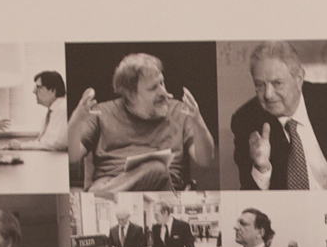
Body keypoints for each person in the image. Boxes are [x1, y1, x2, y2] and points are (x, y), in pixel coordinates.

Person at [66, 51, 217, 193]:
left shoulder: (179, 110)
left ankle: (102, 195)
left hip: (164, 187)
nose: (163, 92)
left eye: (162, 83)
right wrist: (76, 120)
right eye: (153, 88)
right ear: (131, 95)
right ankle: (105, 192)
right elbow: (72, 156)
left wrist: (197, 120)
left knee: (156, 169)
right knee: (151, 170)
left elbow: (205, 160)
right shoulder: (102, 112)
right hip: (111, 181)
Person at [229, 41, 327, 190]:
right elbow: (249, 196)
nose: (268, 95)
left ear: (299, 78)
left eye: (277, 83)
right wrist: (261, 168)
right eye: (259, 85)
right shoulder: (246, 121)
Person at [25, 68, 70, 148]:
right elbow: (44, 141)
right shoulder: (52, 111)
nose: (34, 91)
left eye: (38, 87)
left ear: (52, 90)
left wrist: (22, 146)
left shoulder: (63, 109)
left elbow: (54, 143)